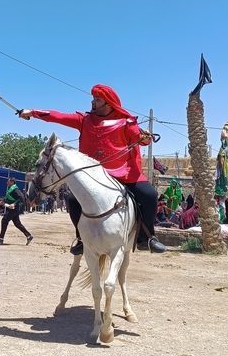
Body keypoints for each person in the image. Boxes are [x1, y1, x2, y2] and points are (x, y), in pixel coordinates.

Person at [19, 84, 166, 255]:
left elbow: (141, 139)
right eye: (93, 99)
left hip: (123, 173)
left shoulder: (126, 122)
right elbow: (58, 116)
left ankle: (147, 237)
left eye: (97, 99)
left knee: (150, 195)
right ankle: (81, 238)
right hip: (94, 175)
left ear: (108, 103)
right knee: (72, 199)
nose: (93, 102)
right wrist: (33, 112)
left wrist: (145, 138)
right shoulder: (84, 120)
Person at [0, 177, 33, 245]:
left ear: (12, 182)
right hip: (12, 208)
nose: (7, 183)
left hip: (14, 209)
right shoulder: (10, 189)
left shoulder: (15, 189)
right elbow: (9, 198)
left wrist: (14, 204)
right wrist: (3, 201)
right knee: (17, 224)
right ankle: (29, 236)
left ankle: (1, 238)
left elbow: (21, 197)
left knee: (4, 220)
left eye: (8, 181)